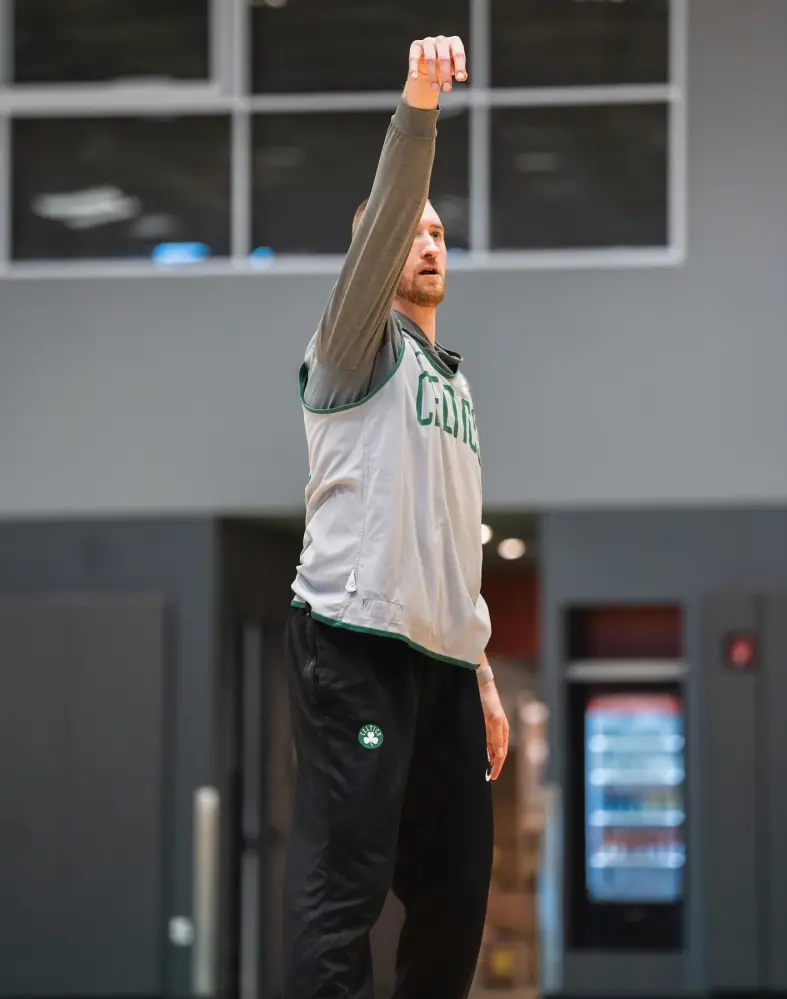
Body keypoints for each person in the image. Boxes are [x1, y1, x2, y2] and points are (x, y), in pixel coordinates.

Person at [284, 34, 509, 999]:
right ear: (371, 255)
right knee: (347, 891)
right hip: (355, 645)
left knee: (456, 897)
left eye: (438, 233)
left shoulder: (452, 382)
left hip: (446, 666)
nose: (425, 241)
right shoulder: (349, 348)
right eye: (404, 230)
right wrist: (418, 105)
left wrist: (486, 675)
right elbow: (380, 234)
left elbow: (450, 543)